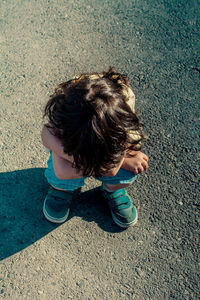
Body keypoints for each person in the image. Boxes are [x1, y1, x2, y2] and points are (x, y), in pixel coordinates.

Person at [41, 68, 148, 228]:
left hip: (107, 146)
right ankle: (63, 189)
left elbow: (114, 167)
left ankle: (112, 190)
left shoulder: (120, 114)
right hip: (75, 152)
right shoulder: (67, 111)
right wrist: (78, 158)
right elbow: (47, 136)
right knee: (61, 175)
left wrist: (125, 157)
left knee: (130, 167)